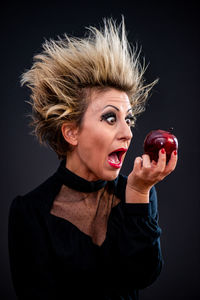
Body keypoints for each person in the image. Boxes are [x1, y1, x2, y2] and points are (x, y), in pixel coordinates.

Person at [8, 18, 177, 300]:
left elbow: (143, 274)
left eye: (129, 120)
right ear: (72, 132)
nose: (128, 133)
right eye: (110, 118)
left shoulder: (137, 194)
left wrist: (138, 192)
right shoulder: (31, 213)